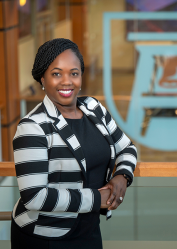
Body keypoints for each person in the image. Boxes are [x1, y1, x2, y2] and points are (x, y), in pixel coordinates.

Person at [11, 38, 137, 249]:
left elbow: (127, 147)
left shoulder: (93, 108)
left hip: (89, 229)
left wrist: (122, 176)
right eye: (56, 73)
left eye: (74, 73)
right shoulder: (32, 126)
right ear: (42, 78)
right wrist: (96, 198)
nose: (67, 81)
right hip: (45, 236)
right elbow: (34, 196)